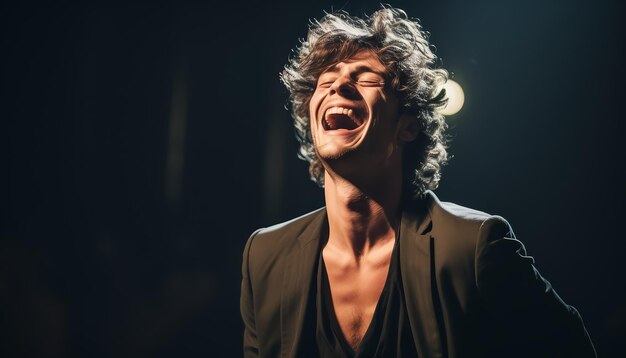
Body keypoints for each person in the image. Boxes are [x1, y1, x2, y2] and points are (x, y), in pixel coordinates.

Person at [240, 6, 596, 358]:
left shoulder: (473, 248)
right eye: (327, 81)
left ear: (407, 126)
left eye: (364, 78)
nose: (340, 86)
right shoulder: (265, 256)